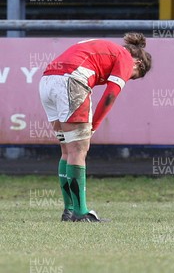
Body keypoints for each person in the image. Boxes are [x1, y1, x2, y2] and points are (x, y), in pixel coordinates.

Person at [39, 33, 152, 222]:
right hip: (71, 81)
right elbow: (110, 95)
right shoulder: (125, 58)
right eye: (133, 77)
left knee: (67, 150)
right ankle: (81, 212)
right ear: (138, 63)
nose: (128, 78)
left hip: (47, 81)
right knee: (79, 149)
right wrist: (93, 126)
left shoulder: (104, 46)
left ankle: (69, 210)